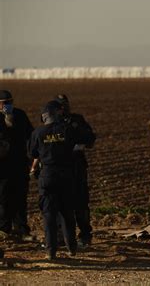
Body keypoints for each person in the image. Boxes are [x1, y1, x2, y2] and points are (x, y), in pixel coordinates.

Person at [29, 101, 95, 260]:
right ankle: (71, 247)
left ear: (44, 117)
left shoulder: (38, 132)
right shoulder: (67, 130)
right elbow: (89, 138)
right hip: (66, 175)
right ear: (57, 114)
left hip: (47, 175)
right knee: (67, 213)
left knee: (49, 215)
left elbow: (32, 152)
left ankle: (51, 252)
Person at [54, 94, 96, 246]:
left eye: (65, 104)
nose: (64, 107)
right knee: (60, 203)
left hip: (77, 166)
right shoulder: (52, 123)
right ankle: (61, 236)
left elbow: (90, 138)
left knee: (81, 201)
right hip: (61, 167)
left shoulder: (77, 120)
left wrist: (79, 136)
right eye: (60, 105)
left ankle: (85, 234)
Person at [0, 90, 34, 240]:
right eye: (4, 102)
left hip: (20, 163)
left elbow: (31, 136)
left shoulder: (20, 115)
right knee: (3, 197)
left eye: (10, 102)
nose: (8, 105)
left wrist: (34, 157)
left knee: (20, 197)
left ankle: (21, 229)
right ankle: (3, 230)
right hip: (2, 167)